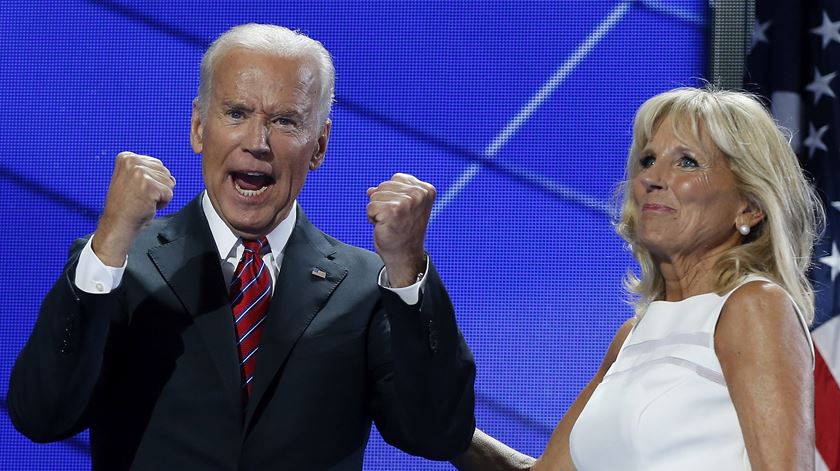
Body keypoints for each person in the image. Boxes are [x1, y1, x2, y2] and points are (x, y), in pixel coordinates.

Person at [8, 23, 476, 470]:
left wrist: (405, 265)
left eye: (285, 121)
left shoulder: (365, 286)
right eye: (236, 113)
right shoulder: (121, 264)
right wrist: (109, 239)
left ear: (319, 146)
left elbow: (436, 434)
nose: (257, 142)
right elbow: (42, 416)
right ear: (198, 128)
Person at [451, 87, 820, 470]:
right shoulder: (631, 337)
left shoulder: (756, 306)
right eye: (647, 160)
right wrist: (442, 428)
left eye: (688, 162)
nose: (652, 179)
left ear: (750, 207)